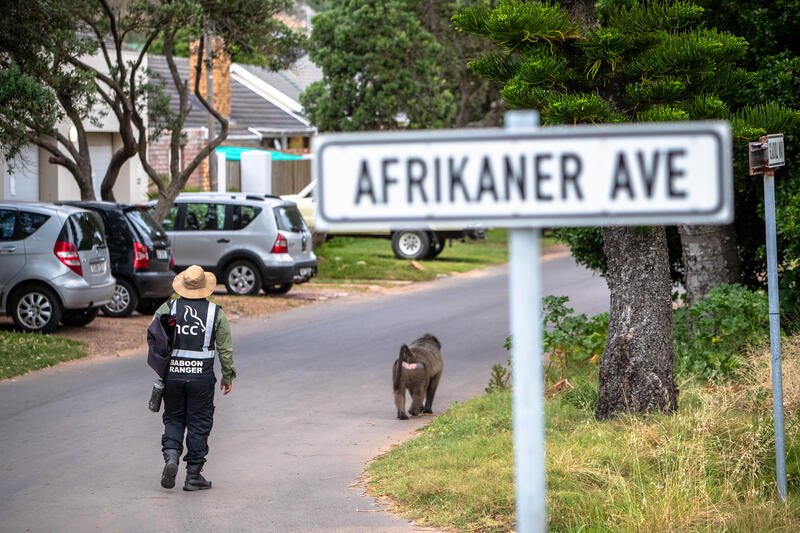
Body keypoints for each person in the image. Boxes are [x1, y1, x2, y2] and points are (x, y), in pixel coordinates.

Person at [153, 265, 236, 491]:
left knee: (173, 418)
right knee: (199, 423)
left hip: (173, 377)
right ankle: (193, 476)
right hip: (201, 378)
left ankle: (171, 457)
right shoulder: (215, 313)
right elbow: (225, 349)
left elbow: (154, 338)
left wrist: (161, 368)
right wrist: (227, 375)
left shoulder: (167, 308)